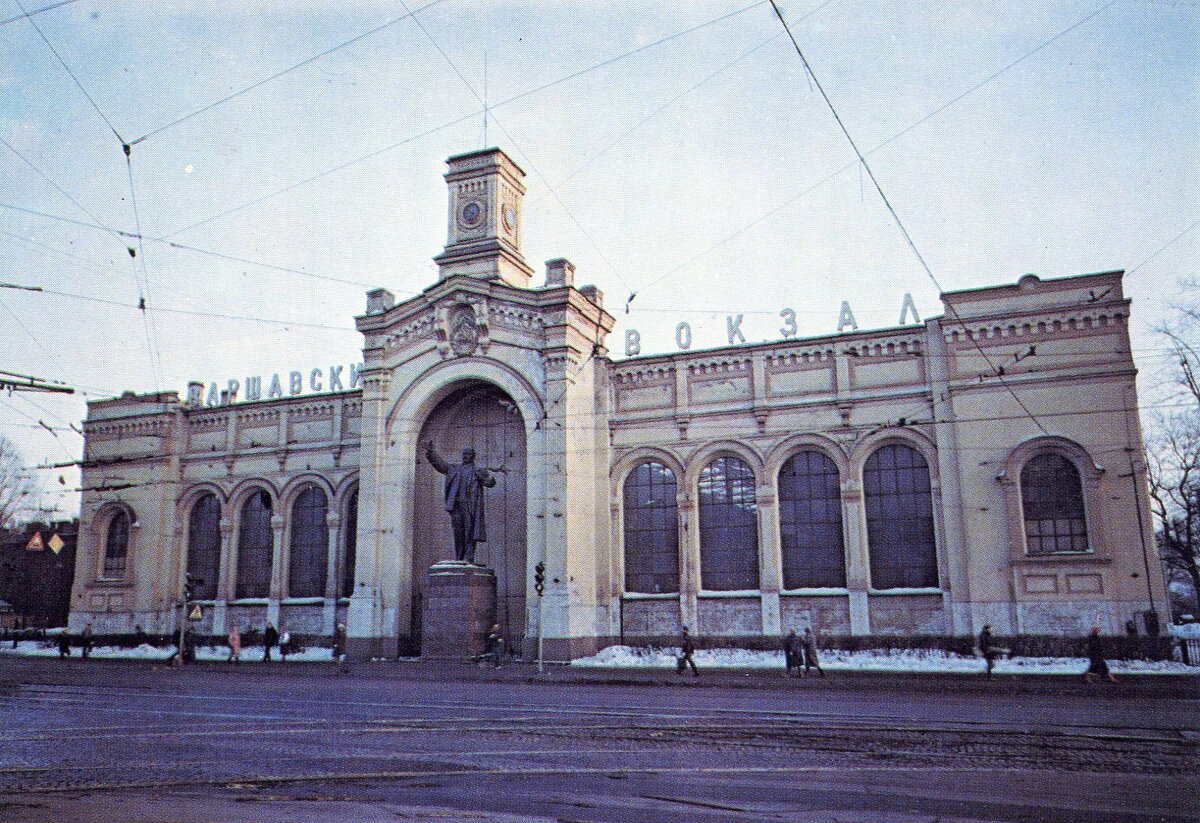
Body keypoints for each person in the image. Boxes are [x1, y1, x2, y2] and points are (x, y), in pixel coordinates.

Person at [425, 441, 497, 564]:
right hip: (457, 506)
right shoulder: (454, 469)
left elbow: (490, 483)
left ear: (472, 456)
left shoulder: (477, 471)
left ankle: (469, 557)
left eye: (468, 454)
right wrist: (431, 453)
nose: (465, 456)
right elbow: (441, 465)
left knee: (470, 531)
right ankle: (459, 557)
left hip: (470, 506)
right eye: (464, 454)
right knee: (458, 531)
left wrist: (487, 477)